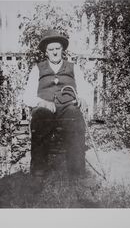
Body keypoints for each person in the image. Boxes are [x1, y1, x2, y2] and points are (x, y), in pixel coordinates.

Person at [23, 29, 91, 191]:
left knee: (75, 117)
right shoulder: (37, 69)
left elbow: (85, 90)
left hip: (68, 107)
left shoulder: (73, 68)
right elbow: (27, 96)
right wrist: (43, 103)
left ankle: (76, 172)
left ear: (62, 50)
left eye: (57, 48)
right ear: (46, 52)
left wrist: (82, 98)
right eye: (51, 49)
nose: (54, 52)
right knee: (40, 119)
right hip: (45, 107)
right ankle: (38, 172)